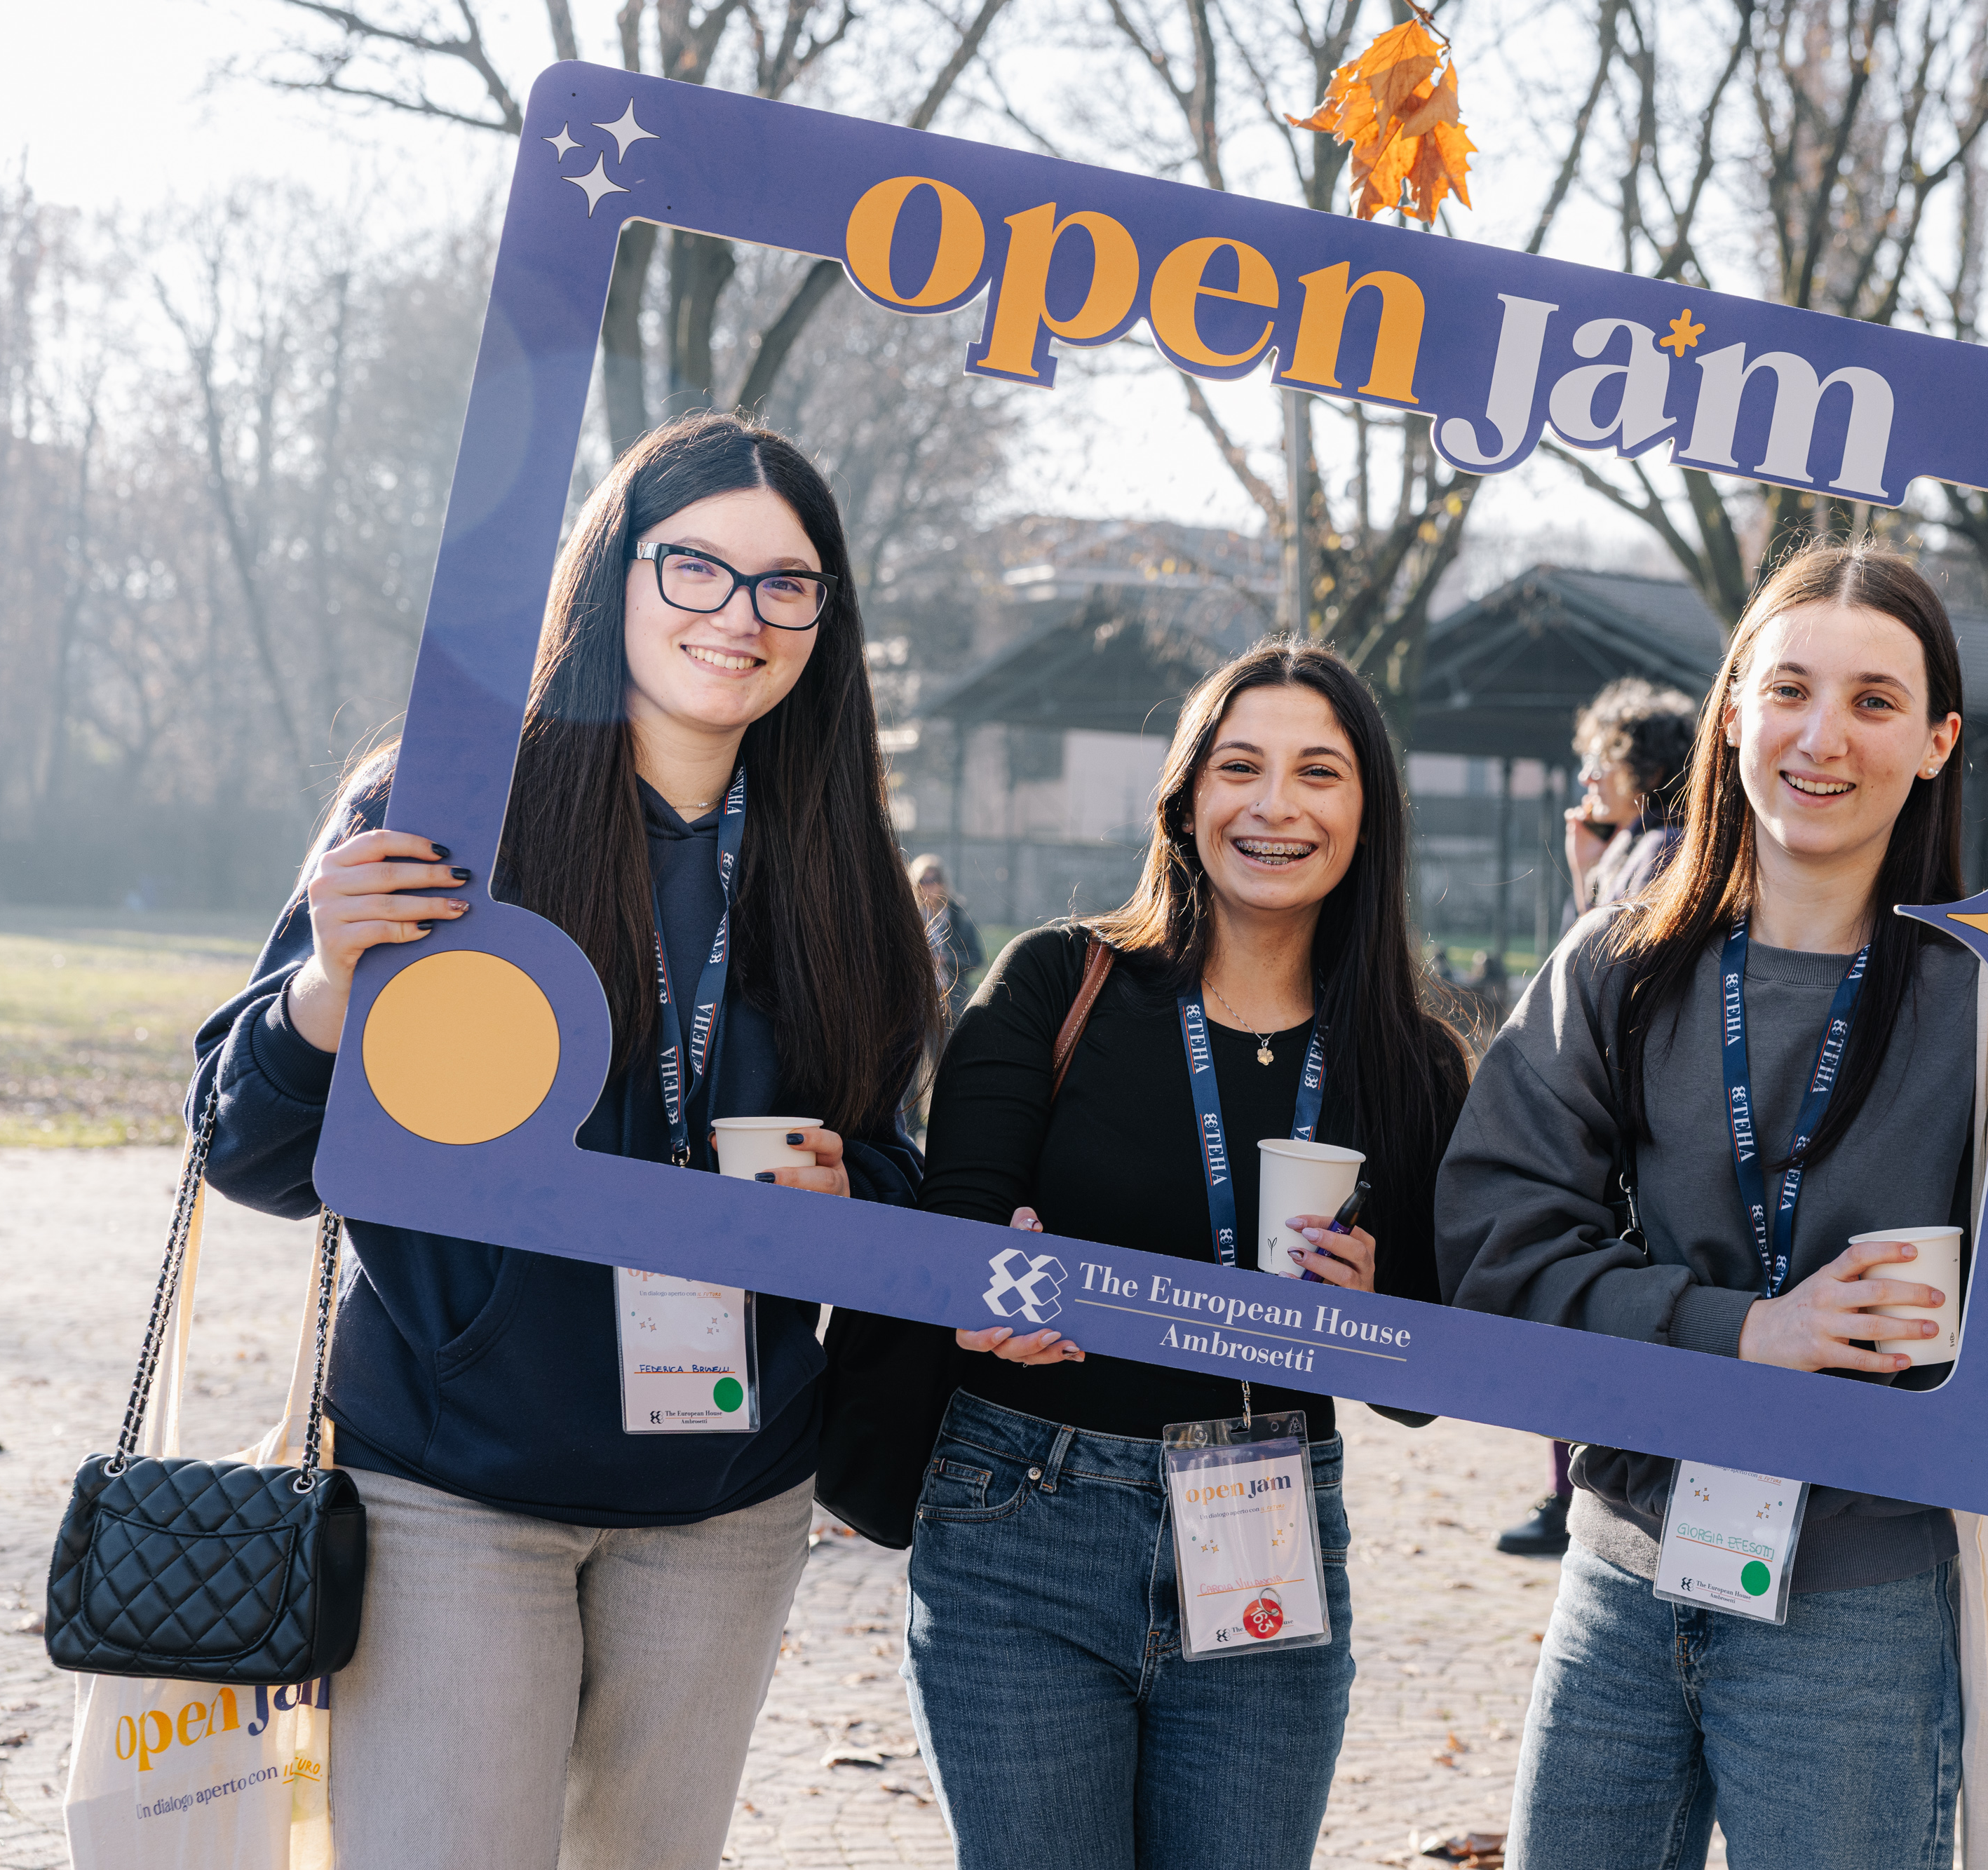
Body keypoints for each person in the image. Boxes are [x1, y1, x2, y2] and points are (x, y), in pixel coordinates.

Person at [189, 411, 939, 1870]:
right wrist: (329, 985)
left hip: (724, 1495)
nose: (740, 614)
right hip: (450, 1482)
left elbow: (893, 1167)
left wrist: (854, 1187)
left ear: (825, 619)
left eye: (786, 583)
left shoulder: (843, 861)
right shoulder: (443, 809)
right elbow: (249, 1151)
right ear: (612, 574)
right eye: (696, 567)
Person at [1436, 543, 1988, 1869]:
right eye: (1788, 688)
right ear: (1733, 712)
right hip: (1624, 1569)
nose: (1822, 736)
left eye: (1875, 700)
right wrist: (1741, 1329)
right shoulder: (1617, 966)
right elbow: (1494, 1244)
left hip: (1862, 1602)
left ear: (1939, 741)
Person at [905, 641, 1472, 1870]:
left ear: (1368, 811)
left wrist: (1374, 1311)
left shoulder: (1411, 1060)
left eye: (1318, 771)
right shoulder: (1057, 981)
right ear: (1186, 796)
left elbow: (1423, 1383)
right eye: (1240, 767)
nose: (1275, 805)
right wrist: (983, 1291)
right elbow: (952, 1238)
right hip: (1026, 1517)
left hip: (1270, 1529)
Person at [1501, 676, 1700, 1559]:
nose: (1584, 782)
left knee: (1575, 1306)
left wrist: (1587, 877)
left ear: (1643, 771)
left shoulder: (1657, 850)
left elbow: (1597, 977)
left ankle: (1572, 1492)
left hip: (1618, 1130)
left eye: (1597, 766)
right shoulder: (1655, 845)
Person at [1560, 677, 1700, 928]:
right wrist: (1585, 867)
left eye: (1600, 760)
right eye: (1587, 761)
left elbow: (1603, 952)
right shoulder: (1637, 847)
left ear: (1649, 770)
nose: (1586, 777)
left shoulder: (1661, 849)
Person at [912, 853, 987, 1015]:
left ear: (943, 883)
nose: (929, 886)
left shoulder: (959, 918)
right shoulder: (910, 919)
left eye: (934, 880)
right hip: (916, 1000)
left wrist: (947, 959)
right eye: (923, 881)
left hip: (953, 1000)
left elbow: (976, 958)